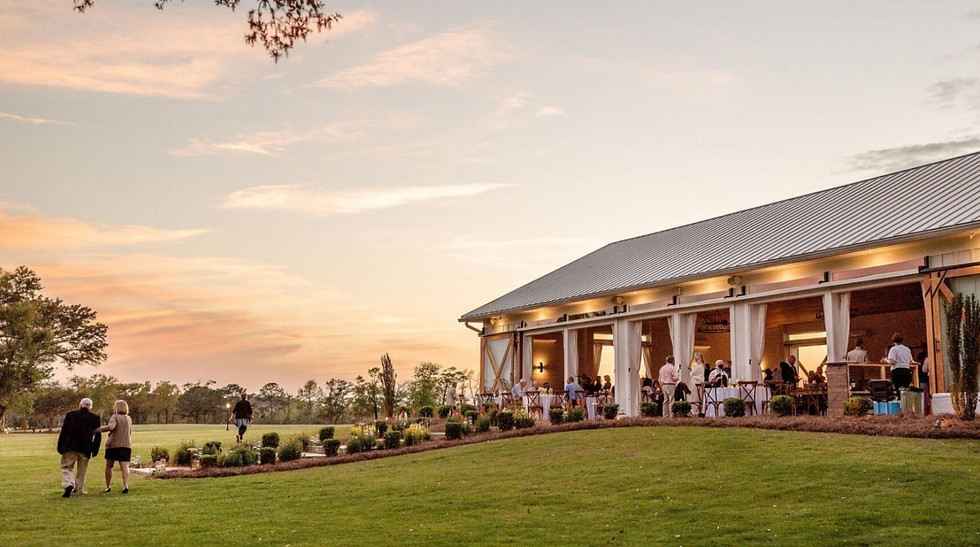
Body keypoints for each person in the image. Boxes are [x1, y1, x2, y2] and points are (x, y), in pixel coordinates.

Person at [57, 398, 102, 498]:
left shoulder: (70, 415)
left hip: (70, 446)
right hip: (85, 448)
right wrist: (95, 450)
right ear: (90, 407)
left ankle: (68, 484)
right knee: (82, 470)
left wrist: (60, 446)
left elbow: (64, 431)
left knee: (66, 467)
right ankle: (79, 489)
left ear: (80, 405)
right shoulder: (95, 418)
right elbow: (97, 435)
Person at [96, 399, 133, 494]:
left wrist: (98, 430)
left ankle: (108, 486)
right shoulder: (128, 418)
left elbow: (111, 427)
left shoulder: (115, 417)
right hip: (126, 445)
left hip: (113, 445)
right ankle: (125, 485)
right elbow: (130, 432)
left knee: (109, 466)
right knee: (124, 466)